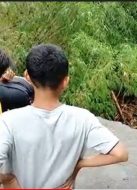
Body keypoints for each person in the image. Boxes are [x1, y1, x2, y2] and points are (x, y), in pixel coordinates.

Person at [0, 44, 128, 188]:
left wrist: (8, 180)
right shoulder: (83, 118)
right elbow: (120, 154)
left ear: (27, 77)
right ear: (65, 81)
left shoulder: (8, 121)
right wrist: (79, 164)